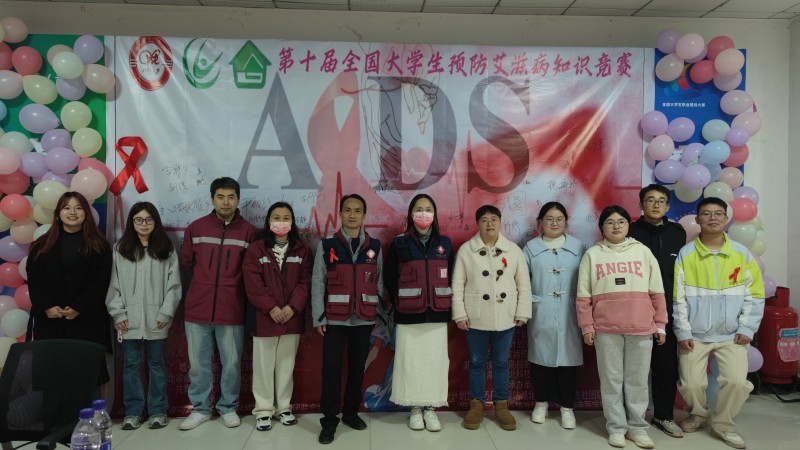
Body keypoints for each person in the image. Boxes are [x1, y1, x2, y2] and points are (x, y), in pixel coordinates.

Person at [673, 197, 764, 450]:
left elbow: (755, 294)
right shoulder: (686, 254)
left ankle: (723, 424)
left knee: (736, 382)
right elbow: (678, 297)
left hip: (732, 334)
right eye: (706, 213)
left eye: (718, 214)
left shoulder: (741, 254)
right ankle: (699, 414)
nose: (712, 218)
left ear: (726, 219)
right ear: (698, 219)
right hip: (695, 333)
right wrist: (683, 331)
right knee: (690, 383)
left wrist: (747, 328)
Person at [576, 205, 667, 449]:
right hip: (605, 329)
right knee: (611, 381)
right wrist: (587, 326)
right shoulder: (592, 255)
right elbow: (583, 296)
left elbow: (657, 292)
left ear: (628, 225)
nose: (616, 226)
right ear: (602, 227)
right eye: (610, 222)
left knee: (637, 380)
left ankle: (638, 428)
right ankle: (616, 427)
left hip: (641, 327)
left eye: (621, 222)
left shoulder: (643, 252)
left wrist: (660, 325)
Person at [179, 177, 256, 431]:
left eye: (231, 197)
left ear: (238, 200)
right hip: (197, 309)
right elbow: (186, 264)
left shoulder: (248, 232)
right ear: (212, 199)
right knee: (198, 364)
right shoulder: (196, 228)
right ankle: (200, 408)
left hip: (231, 309)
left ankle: (228, 407)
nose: (226, 202)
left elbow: (250, 272)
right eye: (220, 197)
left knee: (231, 364)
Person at [451, 205, 531, 432]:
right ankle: (476, 405)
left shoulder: (513, 250)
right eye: (484, 219)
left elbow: (523, 284)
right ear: (477, 224)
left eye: (494, 219)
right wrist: (459, 313)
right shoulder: (467, 250)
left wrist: (522, 312)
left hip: (505, 316)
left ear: (500, 222)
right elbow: (457, 285)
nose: (490, 223)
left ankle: (501, 405)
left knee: (501, 362)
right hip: (475, 316)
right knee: (476, 361)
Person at [311, 194, 383, 445]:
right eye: (348, 210)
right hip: (334, 319)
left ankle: (351, 413)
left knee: (357, 368)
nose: (352, 215)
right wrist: (318, 317)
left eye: (357, 210)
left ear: (364, 215)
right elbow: (318, 282)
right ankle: (329, 420)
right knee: (331, 370)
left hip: (364, 318)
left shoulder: (375, 247)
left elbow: (379, 282)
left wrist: (377, 314)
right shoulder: (327, 245)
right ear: (340, 214)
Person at [105, 202, 182, 430]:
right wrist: (118, 313)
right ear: (132, 222)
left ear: (155, 222)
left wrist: (166, 312)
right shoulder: (121, 249)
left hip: (157, 318)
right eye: (139, 220)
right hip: (128, 320)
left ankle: (158, 411)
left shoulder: (165, 248)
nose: (144, 224)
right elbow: (113, 284)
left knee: (156, 364)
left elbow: (174, 285)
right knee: (130, 365)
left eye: (149, 219)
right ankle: (133, 412)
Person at [26, 192, 112, 385]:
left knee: (85, 377)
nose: (72, 212)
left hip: (85, 319)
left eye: (78, 208)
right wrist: (47, 306)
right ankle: (54, 407)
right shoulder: (41, 245)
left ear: (86, 213)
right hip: (50, 320)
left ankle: (86, 407)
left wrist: (79, 306)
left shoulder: (99, 246)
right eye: (67, 208)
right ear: (58, 213)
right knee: (52, 378)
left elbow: (101, 282)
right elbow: (34, 280)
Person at [384, 194, 454, 432]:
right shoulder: (399, 243)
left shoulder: (445, 243)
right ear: (411, 214)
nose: (424, 213)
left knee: (435, 362)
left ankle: (431, 408)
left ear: (434, 214)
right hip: (408, 313)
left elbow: (451, 275)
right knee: (410, 362)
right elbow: (389, 277)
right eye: (419, 209)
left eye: (428, 209)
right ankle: (414, 407)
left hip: (437, 313)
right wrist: (400, 301)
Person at [243, 202, 312, 432]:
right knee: (263, 367)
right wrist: (271, 308)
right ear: (268, 221)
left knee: (286, 366)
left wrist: (292, 307)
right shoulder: (256, 249)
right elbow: (252, 283)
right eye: (276, 217)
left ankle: (284, 408)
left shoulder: (302, 250)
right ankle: (263, 410)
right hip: (264, 318)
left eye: (285, 217)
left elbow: (305, 282)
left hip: (292, 318)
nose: (281, 222)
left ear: (292, 222)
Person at [627, 184, 686, 438]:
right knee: (633, 370)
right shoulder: (629, 231)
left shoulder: (677, 233)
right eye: (650, 200)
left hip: (666, 312)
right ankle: (632, 418)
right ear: (641, 204)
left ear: (668, 206)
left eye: (661, 201)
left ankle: (663, 416)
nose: (656, 204)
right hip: (633, 311)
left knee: (665, 367)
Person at [522, 202, 584, 430]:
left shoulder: (578, 247)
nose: (554, 223)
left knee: (569, 361)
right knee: (541, 359)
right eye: (549, 219)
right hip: (541, 310)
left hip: (570, 311)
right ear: (540, 222)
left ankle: (567, 407)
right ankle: (541, 403)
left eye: (559, 219)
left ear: (566, 222)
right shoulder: (530, 248)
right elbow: (522, 282)